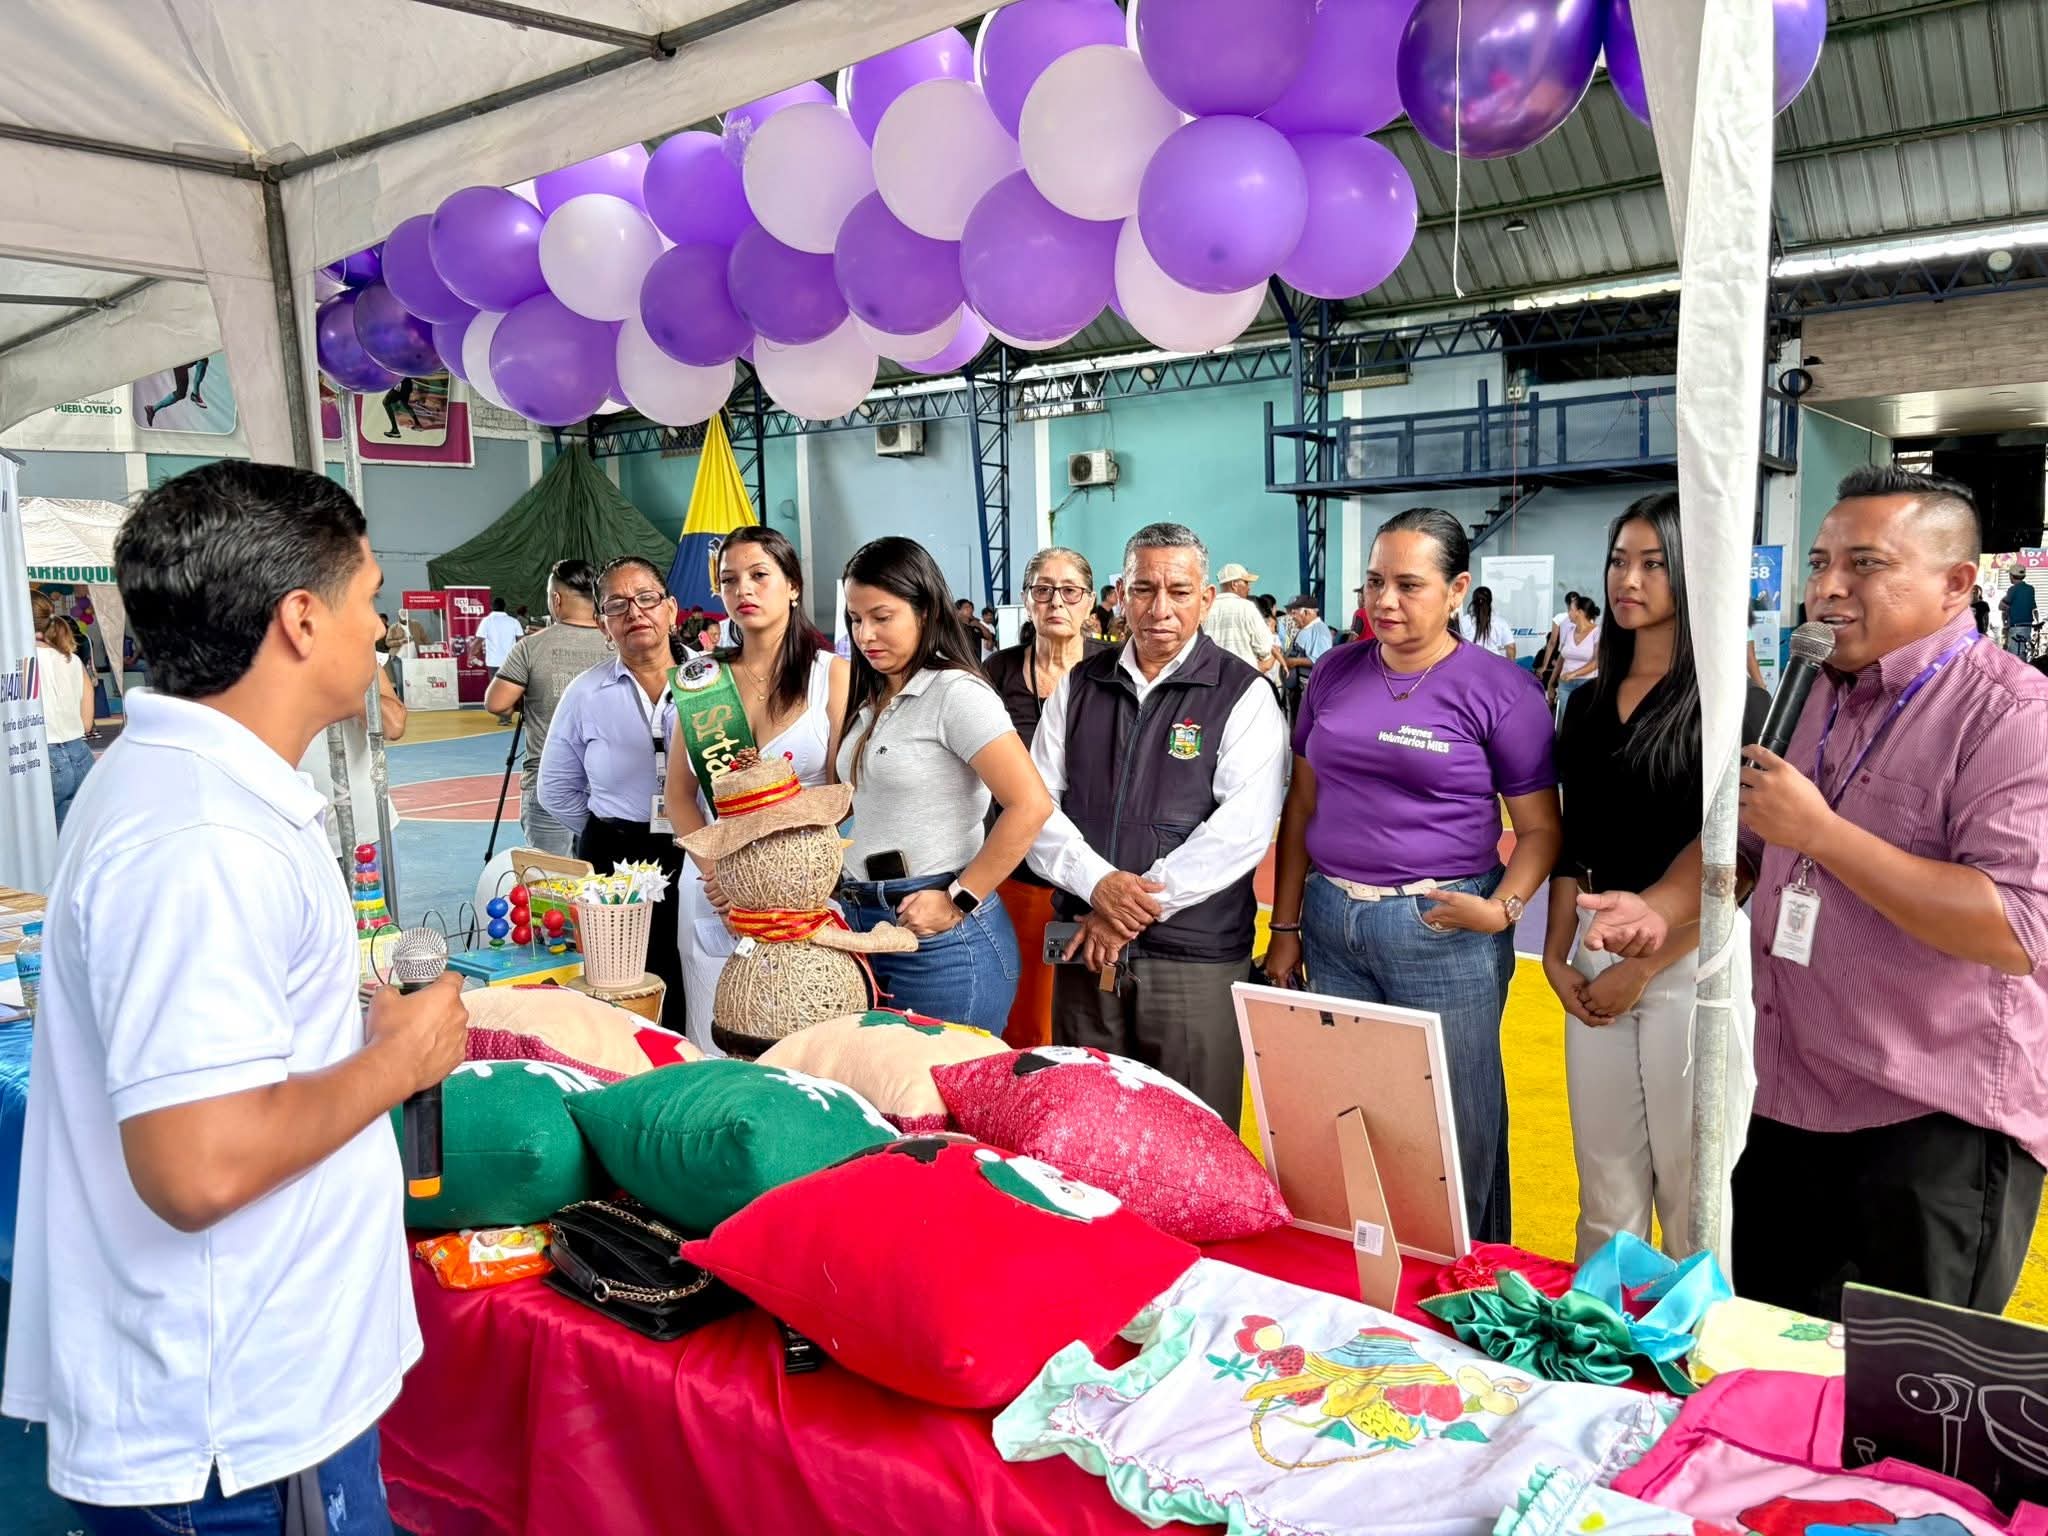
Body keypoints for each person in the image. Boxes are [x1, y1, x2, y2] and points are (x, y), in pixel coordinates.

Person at [4, 460, 467, 1532]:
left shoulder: (196, 790)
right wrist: (397, 1060)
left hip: (251, 1393)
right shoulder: (201, 838)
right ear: (301, 619)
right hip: (234, 1430)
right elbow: (198, 1165)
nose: (381, 629)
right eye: (369, 599)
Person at [1730, 466, 2048, 1318]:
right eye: (1819, 563)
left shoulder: (2013, 716)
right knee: (1767, 1366)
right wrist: (1660, 909)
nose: (1828, 587)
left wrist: (1823, 835)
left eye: (1864, 564)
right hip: (1787, 1100)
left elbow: (2016, 930)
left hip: (1931, 1127)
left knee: (1904, 1390)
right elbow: (1755, 843)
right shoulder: (1812, 694)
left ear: (1956, 582)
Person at [1263, 508, 1561, 1244]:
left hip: (1442, 932)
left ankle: (1468, 1276)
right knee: (1352, 1115)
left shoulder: (1501, 690)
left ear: (1457, 590)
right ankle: (1369, 1274)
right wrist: (1286, 925)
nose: (1384, 601)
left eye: (1408, 584)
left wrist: (1501, 910)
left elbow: (1541, 830)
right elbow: (1303, 805)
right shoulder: (1335, 672)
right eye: (1373, 582)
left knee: (1457, 1129)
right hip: (1332, 924)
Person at [1544, 492, 1766, 1261]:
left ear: (1694, 575)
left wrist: (1645, 967)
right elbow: (1573, 842)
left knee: (1693, 1192)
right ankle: (1603, 1329)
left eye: (1653, 564)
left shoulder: (1735, 705)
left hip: (1692, 960)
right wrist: (1557, 955)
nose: (1628, 580)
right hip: (1596, 952)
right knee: (1604, 1190)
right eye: (1618, 561)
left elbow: (1738, 862)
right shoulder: (1584, 706)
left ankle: (1695, 1336)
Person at [1028, 524, 1288, 1122]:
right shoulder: (1080, 686)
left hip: (1191, 959)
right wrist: (1098, 885)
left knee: (1193, 1135)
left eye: (1179, 590)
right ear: (1122, 595)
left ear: (1207, 599)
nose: (1160, 608)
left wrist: (1127, 908)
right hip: (1086, 950)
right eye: (1144, 589)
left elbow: (1241, 832)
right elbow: (1036, 807)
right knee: (1086, 1129)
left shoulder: (1243, 694)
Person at [837, 538, 1052, 1031]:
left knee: (938, 1081)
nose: (865, 634)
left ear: (926, 611)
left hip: (943, 942)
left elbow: (1030, 805)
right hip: (864, 925)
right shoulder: (871, 698)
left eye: (882, 617)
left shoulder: (956, 693)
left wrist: (958, 900)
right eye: (855, 618)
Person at [663, 527, 850, 1056]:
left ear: (793, 585)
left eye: (759, 575)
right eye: (729, 580)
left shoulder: (831, 675)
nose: (742, 589)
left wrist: (778, 878)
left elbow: (841, 793)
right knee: (717, 1036)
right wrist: (719, 876)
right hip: (714, 889)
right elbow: (679, 796)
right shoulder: (701, 680)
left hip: (799, 892)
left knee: (801, 1040)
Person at [537, 557, 689, 1025]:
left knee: (693, 975)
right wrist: (607, 826)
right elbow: (555, 788)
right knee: (623, 986)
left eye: (647, 598)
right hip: (617, 859)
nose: (635, 612)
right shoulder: (586, 693)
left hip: (697, 852)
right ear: (603, 624)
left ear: (671, 609)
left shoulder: (712, 682)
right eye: (617, 605)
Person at [984, 547, 1112, 1049]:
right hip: (1017, 871)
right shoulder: (997, 672)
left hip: (1098, 872)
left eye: (1070, 591)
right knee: (1024, 1016)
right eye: (1043, 590)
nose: (1056, 601)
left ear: (1090, 602)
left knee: (1092, 1017)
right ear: (1026, 599)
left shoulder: (1114, 667)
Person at [485, 559, 612, 856]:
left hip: (550, 779)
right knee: (606, 875)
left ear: (556, 599)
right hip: (608, 783)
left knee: (551, 875)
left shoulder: (532, 647)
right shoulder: (616, 642)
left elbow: (496, 703)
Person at [298, 643, 408, 872]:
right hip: (295, 836)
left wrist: (346, 676)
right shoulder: (256, 654)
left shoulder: (353, 651)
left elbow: (393, 726)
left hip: (365, 833)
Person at [36, 614, 95, 831]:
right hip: (80, 753)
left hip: (45, 756)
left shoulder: (18, 660)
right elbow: (87, 723)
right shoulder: (72, 660)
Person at [1203, 561, 1281, 677]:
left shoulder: (1206, 608)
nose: (1249, 588)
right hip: (1242, 677)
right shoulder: (1247, 607)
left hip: (1211, 676)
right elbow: (1264, 648)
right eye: (1246, 582)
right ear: (1234, 584)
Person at [1279, 594, 1334, 727]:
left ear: (1306, 612)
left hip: (1307, 687)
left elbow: (1321, 660)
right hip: (1298, 688)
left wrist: (1294, 662)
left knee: (1304, 724)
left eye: (1295, 613)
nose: (1292, 617)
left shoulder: (1319, 630)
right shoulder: (1306, 629)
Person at [1553, 593, 1602, 722]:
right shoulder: (1569, 631)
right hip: (1565, 684)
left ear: (1580, 612)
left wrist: (1574, 674)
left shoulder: (1597, 632)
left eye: (1570, 610)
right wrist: (1551, 682)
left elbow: (1597, 662)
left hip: (1586, 684)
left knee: (1584, 723)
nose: (1568, 613)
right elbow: (1561, 659)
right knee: (1567, 722)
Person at [1458, 584, 1516, 660]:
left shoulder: (1463, 621)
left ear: (1473, 601)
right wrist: (1510, 665)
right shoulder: (1500, 622)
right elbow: (1511, 647)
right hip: (1494, 663)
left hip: (1471, 662)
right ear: (1490, 601)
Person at [477, 596, 524, 672]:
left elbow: (479, 640)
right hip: (510, 661)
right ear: (504, 607)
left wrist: (471, 654)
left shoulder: (486, 621)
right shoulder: (514, 621)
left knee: (494, 680)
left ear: (491, 607)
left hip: (493, 662)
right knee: (510, 680)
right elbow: (521, 641)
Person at [2003, 567, 2037, 658]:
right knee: (2023, 653)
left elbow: (2003, 605)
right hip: (2028, 627)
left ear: (2012, 576)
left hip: (2016, 627)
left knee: (2015, 657)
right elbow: (2034, 607)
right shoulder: (2030, 589)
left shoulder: (2012, 589)